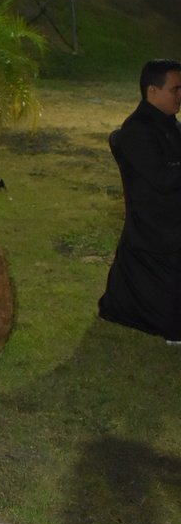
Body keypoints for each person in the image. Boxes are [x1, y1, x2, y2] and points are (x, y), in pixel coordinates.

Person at [99, 58, 181, 341]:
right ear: (153, 91)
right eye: (175, 89)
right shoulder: (137, 129)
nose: (180, 96)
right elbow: (162, 177)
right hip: (158, 219)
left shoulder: (168, 123)